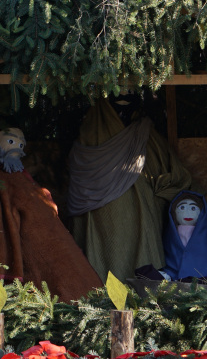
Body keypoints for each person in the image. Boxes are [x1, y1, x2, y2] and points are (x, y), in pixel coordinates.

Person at [67, 97, 191, 282]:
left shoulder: (145, 133)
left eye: (130, 92)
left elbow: (171, 172)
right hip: (99, 218)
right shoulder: (91, 133)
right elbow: (80, 172)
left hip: (142, 215)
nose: (125, 94)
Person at [0, 129, 102, 302]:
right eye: (11, 142)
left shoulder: (20, 176)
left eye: (21, 145)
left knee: (76, 277)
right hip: (33, 241)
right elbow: (2, 218)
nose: (17, 148)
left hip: (53, 237)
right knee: (54, 283)